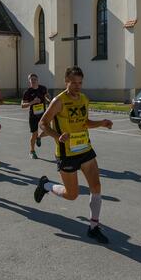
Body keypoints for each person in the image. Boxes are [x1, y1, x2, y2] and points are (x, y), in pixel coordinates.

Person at [33, 66, 113, 244]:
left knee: (96, 186)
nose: (78, 86)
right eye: (74, 83)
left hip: (85, 148)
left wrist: (101, 123)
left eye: (80, 83)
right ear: (66, 82)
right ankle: (46, 185)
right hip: (66, 153)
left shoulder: (84, 99)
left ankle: (93, 227)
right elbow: (43, 123)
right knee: (72, 194)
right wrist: (57, 137)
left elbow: (84, 122)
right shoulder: (58, 101)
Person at [21, 73, 51, 159]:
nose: (33, 81)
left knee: (49, 130)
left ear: (38, 80)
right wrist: (32, 102)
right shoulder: (27, 92)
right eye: (32, 79)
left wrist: (49, 99)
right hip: (33, 116)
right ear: (29, 81)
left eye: (35, 79)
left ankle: (39, 137)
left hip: (43, 114)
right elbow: (22, 105)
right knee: (34, 134)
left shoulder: (43, 88)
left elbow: (47, 96)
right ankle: (32, 151)